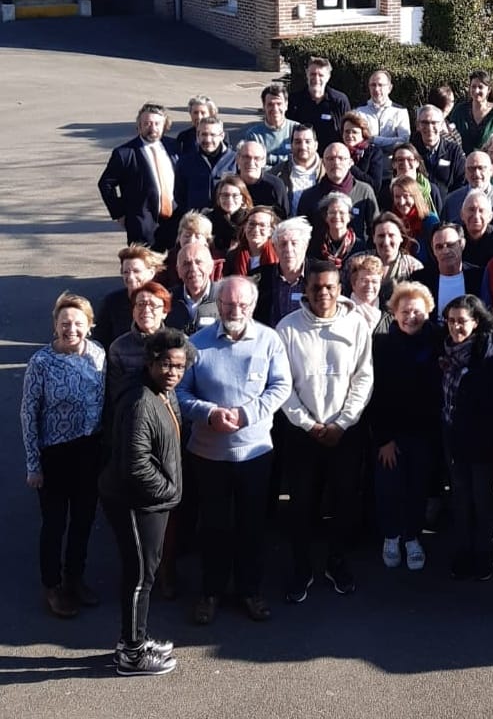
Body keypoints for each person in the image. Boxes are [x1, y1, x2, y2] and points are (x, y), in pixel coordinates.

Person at [178, 275, 291, 624]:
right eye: (228, 304)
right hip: (208, 454)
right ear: (219, 304)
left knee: (252, 526)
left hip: (254, 452)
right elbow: (181, 393)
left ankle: (250, 591)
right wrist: (209, 413)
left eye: (242, 304)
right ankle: (210, 592)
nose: (234, 310)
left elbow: (281, 386)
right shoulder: (195, 343)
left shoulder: (269, 340)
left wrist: (245, 415)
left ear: (253, 305)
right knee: (213, 526)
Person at [276, 262, 374, 602]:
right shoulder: (287, 328)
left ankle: (336, 561)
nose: (323, 294)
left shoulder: (356, 324)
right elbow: (281, 385)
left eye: (330, 287)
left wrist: (343, 422)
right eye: (316, 287)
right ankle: (301, 567)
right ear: (306, 289)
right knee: (302, 504)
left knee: (344, 501)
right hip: (302, 433)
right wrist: (307, 423)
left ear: (340, 288)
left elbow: (364, 377)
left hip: (344, 432)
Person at [99, 327, 191, 676]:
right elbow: (135, 465)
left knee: (143, 575)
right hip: (137, 503)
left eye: (179, 366)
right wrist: (169, 491)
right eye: (166, 364)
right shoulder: (141, 401)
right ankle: (132, 655)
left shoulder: (160, 392)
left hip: (149, 502)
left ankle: (133, 640)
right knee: (140, 577)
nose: (173, 372)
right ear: (151, 361)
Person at [20, 292, 106, 619]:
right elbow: (29, 413)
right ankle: (52, 586)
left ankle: (75, 578)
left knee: (84, 520)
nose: (71, 329)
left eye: (78, 323)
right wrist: (33, 464)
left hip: (89, 451)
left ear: (90, 325)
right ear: (54, 326)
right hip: (54, 454)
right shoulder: (41, 362)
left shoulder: (98, 355)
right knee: (55, 524)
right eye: (64, 323)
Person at [439, 296, 493, 580]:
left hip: (481, 441)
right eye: (451, 321)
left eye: (462, 321)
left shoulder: (490, 355)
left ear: (476, 322)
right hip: (452, 435)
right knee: (460, 496)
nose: (456, 327)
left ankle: (484, 552)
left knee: (482, 499)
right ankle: (463, 548)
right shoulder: (446, 349)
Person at [371, 281, 442, 572]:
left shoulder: (437, 340)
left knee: (417, 487)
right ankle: (391, 536)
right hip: (391, 433)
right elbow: (376, 394)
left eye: (417, 311)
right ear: (394, 312)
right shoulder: (383, 345)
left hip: (425, 432)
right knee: (389, 487)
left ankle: (412, 537)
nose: (411, 316)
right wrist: (384, 438)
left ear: (427, 311)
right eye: (405, 311)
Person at [97, 102, 180, 248]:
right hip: (142, 224)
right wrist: (119, 213)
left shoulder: (175, 147)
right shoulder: (125, 153)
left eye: (157, 123)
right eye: (147, 123)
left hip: (174, 221)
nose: (152, 128)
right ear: (139, 126)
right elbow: (105, 183)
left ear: (165, 125)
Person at [107, 281, 173, 407]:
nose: (146, 310)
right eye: (141, 304)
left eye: (153, 305)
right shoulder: (119, 348)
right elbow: (116, 391)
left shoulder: (178, 343)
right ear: (133, 311)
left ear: (165, 312)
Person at [297, 142, 379, 240]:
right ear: (323, 163)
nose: (336, 163)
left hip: (358, 253)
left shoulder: (365, 192)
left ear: (350, 163)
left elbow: (375, 229)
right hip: (317, 254)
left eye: (341, 158)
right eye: (330, 159)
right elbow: (301, 233)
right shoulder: (309, 196)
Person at [93, 244, 165, 349]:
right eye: (126, 272)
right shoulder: (112, 302)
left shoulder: (162, 300)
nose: (130, 277)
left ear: (151, 273)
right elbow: (100, 341)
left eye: (136, 271)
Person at [255, 216, 312, 327]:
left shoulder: (318, 275)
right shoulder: (260, 278)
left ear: (305, 246)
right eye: (283, 244)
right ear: (275, 248)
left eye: (294, 243)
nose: (288, 249)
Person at [173, 115, 234, 216]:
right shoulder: (185, 162)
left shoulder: (234, 159)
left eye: (212, 135)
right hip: (197, 221)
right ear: (197, 136)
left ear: (222, 136)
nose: (208, 139)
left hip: (226, 221)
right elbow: (179, 196)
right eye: (204, 134)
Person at [286, 56, 351, 152]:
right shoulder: (294, 101)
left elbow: (348, 130)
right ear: (307, 74)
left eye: (320, 75)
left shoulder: (339, 101)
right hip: (302, 156)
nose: (316, 78)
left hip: (331, 158)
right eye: (312, 74)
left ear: (328, 77)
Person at [420, 223, 485, 315]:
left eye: (450, 245)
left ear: (462, 244)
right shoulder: (421, 279)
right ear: (433, 250)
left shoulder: (479, 277)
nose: (445, 251)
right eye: (439, 247)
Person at [353, 68, 410, 170]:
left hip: (390, 170)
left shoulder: (400, 111)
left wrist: (374, 140)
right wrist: (390, 143)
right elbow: (358, 141)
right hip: (366, 169)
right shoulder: (359, 111)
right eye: (373, 85)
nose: (376, 89)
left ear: (389, 88)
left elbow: (404, 141)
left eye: (380, 85)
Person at [165, 242, 222, 335]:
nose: (193, 268)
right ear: (178, 271)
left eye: (199, 262)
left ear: (211, 266)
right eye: (186, 264)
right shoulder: (167, 299)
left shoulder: (225, 297)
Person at [410, 105, 466, 196]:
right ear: (418, 125)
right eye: (424, 122)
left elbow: (462, 181)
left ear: (441, 126)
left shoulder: (454, 151)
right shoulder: (411, 151)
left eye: (434, 123)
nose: (429, 127)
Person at [238, 81, 298, 167]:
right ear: (264, 107)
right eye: (270, 104)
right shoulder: (254, 135)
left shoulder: (297, 129)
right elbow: (254, 166)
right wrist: (288, 159)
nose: (275, 108)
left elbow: (301, 160)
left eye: (279, 104)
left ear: (286, 105)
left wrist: (268, 158)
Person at [442, 150, 493, 222]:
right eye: (471, 169)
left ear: (491, 170)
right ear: (465, 172)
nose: (476, 174)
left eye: (481, 168)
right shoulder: (452, 202)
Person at [232, 139, 290, 219]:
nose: (251, 162)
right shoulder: (229, 186)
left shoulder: (275, 186)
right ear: (237, 159)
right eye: (246, 157)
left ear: (264, 161)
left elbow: (283, 219)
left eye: (257, 158)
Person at [451, 69, 493, 153]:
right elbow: (450, 137)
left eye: (480, 87)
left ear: (489, 90)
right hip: (463, 163)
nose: (476, 91)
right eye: (473, 86)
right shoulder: (460, 111)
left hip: (489, 163)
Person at [388, 175, 441, 260]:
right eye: (397, 197)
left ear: (415, 196)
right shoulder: (392, 222)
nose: (401, 202)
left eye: (406, 196)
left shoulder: (429, 221)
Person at [224, 204, 279, 281]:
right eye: (252, 224)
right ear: (245, 227)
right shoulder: (232, 256)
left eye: (262, 225)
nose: (256, 229)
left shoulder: (279, 255)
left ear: (271, 231)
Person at [310, 192, 362, 271]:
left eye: (341, 213)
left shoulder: (359, 247)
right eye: (332, 213)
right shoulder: (316, 245)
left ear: (349, 217)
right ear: (326, 217)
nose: (337, 216)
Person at [340, 112, 387, 194]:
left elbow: (375, 185)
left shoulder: (373, 152)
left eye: (354, 132)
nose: (350, 135)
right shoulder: (338, 151)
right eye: (347, 132)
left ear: (363, 134)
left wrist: (351, 167)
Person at [280, 125, 323, 215]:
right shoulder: (278, 173)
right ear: (291, 146)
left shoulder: (328, 171)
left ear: (316, 145)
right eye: (298, 142)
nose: (303, 146)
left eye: (308, 142)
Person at [209, 175, 253, 256]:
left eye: (235, 195)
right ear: (219, 198)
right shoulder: (208, 221)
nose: (229, 199)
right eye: (225, 195)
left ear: (243, 199)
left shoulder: (251, 221)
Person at [459, 190, 493, 272]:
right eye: (471, 210)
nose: (476, 216)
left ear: (490, 216)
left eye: (481, 211)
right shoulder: (454, 239)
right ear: (462, 214)